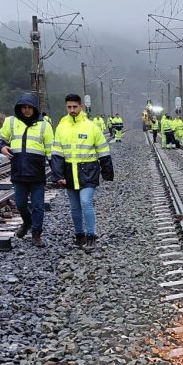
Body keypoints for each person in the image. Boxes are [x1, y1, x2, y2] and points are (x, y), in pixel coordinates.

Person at [50, 94, 114, 251]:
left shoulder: (91, 126)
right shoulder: (61, 127)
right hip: (69, 172)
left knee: (85, 202)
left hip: (89, 171)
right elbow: (57, 152)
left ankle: (91, 236)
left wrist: (107, 172)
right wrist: (57, 175)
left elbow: (103, 150)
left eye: (75, 107)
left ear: (81, 107)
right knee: (74, 207)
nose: (72, 110)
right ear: (66, 107)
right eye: (69, 107)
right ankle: (79, 235)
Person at [0, 93, 55, 247]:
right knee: (20, 204)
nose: (26, 110)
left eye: (29, 107)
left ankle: (36, 234)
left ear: (35, 109)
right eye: (24, 107)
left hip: (36, 173)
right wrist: (1, 147)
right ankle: (27, 222)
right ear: (19, 108)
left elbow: (51, 152)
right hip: (19, 171)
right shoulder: (11, 122)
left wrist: (57, 173)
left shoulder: (44, 126)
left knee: (38, 205)